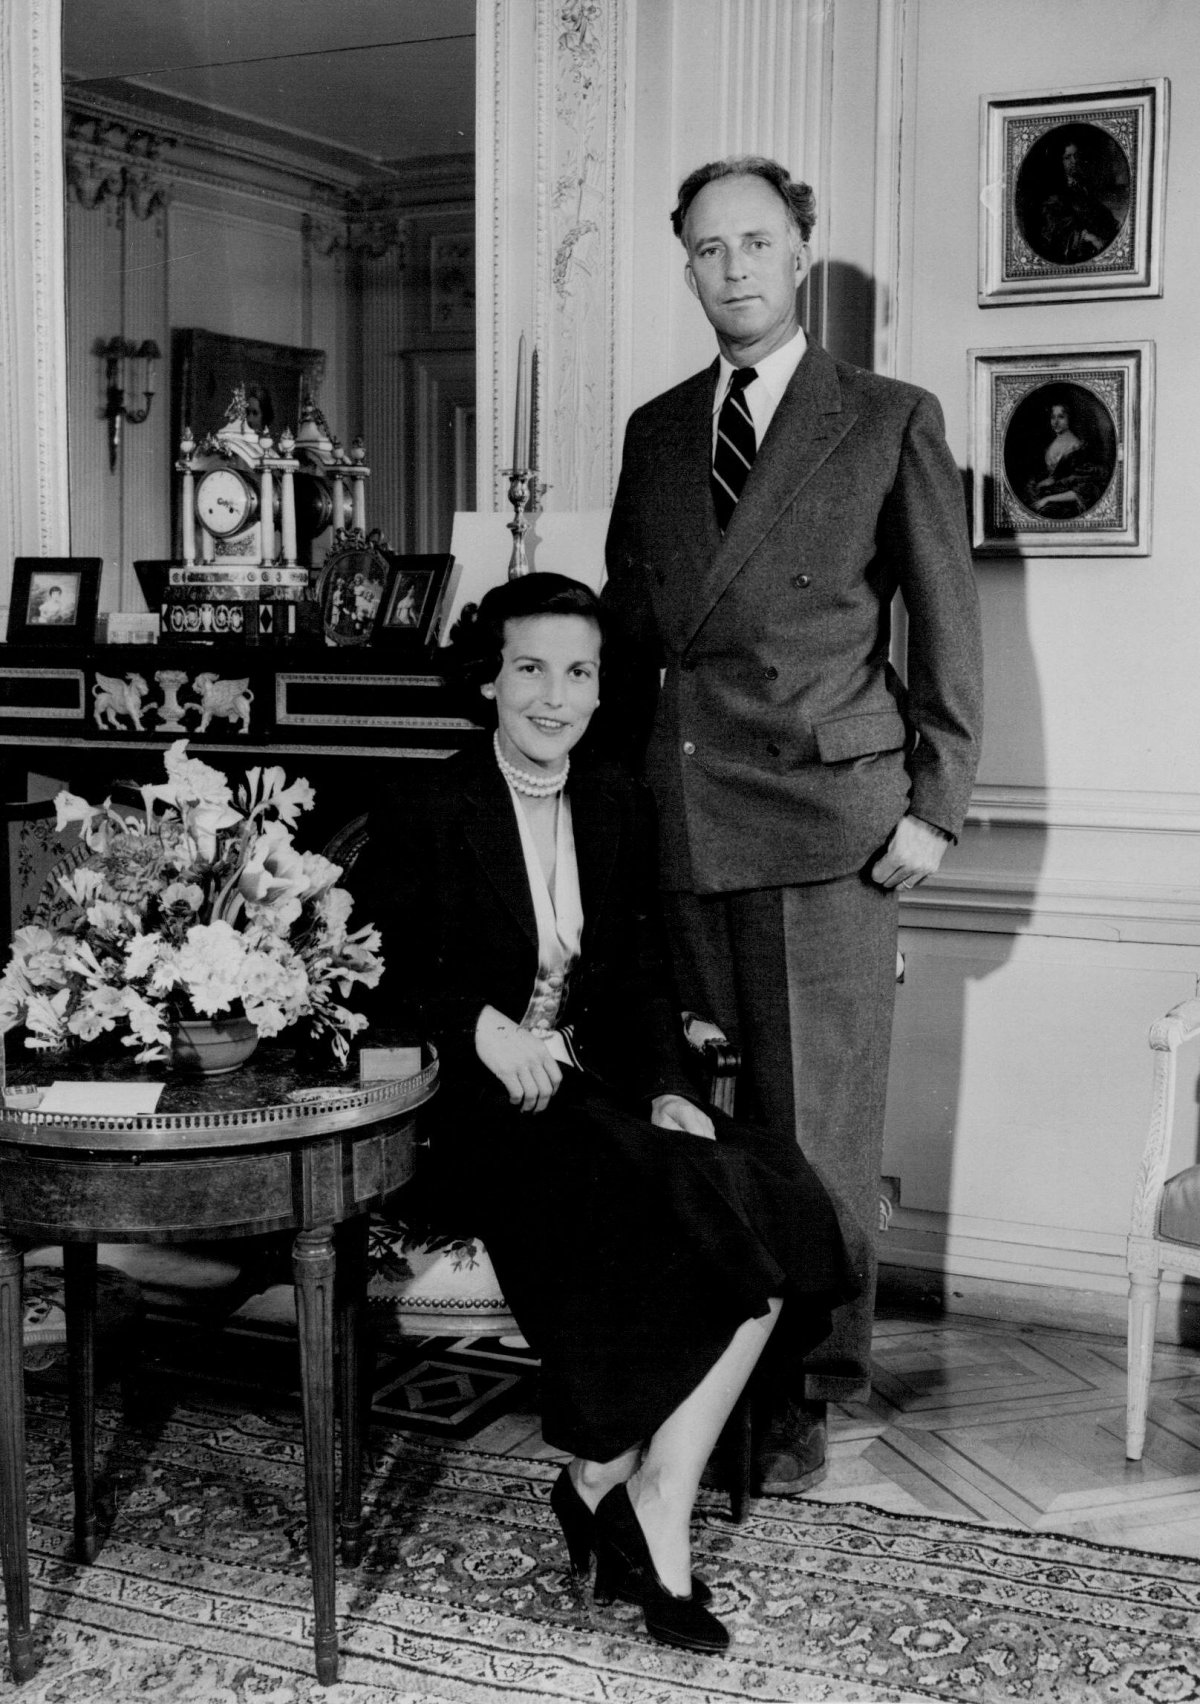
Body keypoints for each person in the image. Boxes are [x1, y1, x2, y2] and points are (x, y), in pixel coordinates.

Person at [353, 573, 855, 1655]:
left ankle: (625, 1485)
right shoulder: (426, 804)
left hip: (591, 1094)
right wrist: (475, 1024)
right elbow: (368, 977)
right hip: (470, 1113)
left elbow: (636, 978)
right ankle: (627, 1493)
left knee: (770, 1189)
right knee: (687, 1209)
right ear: (487, 679)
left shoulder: (618, 799)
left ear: (599, 688)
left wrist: (671, 1088)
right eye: (531, 668)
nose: (555, 696)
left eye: (578, 673)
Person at [604, 156, 983, 1499]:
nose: (735, 270)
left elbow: (949, 625)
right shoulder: (657, 430)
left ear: (801, 254)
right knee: (691, 1125)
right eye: (710, 249)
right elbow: (630, 639)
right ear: (688, 266)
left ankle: (809, 1388)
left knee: (816, 1132)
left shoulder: (885, 417)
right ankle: (710, 1371)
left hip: (829, 825)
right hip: (684, 822)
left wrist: (937, 803)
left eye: (757, 243)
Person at [1022, 396, 1107, 517]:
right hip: (1051, 491)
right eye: (1053, 417)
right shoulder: (1052, 443)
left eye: (1061, 417)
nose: (1055, 422)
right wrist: (1047, 482)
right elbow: (1055, 475)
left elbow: (1082, 490)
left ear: (1069, 418)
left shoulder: (1077, 448)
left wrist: (1048, 499)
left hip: (1066, 502)